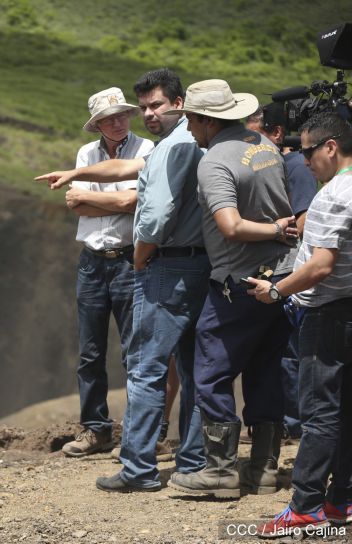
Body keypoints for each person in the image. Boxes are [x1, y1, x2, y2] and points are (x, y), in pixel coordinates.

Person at [37, 68, 209, 492]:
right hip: (101, 261)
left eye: (149, 106)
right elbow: (90, 199)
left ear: (180, 104)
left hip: (147, 261)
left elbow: (145, 206)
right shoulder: (157, 146)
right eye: (141, 107)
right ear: (96, 124)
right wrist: (82, 182)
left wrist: (138, 252)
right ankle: (139, 444)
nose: (130, 118)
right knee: (98, 352)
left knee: (146, 361)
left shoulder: (166, 146)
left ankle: (140, 458)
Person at [164, 80, 299, 499]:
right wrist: (282, 232)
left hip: (238, 281)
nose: (187, 128)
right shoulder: (262, 144)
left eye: (190, 120)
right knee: (264, 370)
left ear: (206, 120)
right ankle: (263, 469)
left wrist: (276, 230)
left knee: (210, 373)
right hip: (280, 278)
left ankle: (220, 471)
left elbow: (231, 227)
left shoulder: (215, 162)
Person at [249, 112, 352, 536]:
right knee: (345, 411)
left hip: (326, 314)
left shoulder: (333, 195)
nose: (303, 160)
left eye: (308, 151)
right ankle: (340, 499)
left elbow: (321, 266)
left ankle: (305, 505)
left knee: (320, 414)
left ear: (331, 146)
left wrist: (276, 290)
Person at [59, 88, 154, 458]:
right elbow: (75, 205)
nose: (117, 122)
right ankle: (95, 429)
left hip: (131, 259)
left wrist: (97, 201)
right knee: (90, 351)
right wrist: (113, 202)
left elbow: (136, 202)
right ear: (97, 124)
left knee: (135, 351)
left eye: (122, 115)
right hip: (93, 260)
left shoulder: (146, 150)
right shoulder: (87, 154)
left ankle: (135, 434)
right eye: (109, 118)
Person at [246, 103, 319, 443]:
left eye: (253, 135)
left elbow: (303, 220)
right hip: (276, 271)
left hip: (288, 272)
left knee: (289, 356)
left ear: (276, 134)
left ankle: (294, 425)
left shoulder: (294, 166)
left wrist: (274, 231)